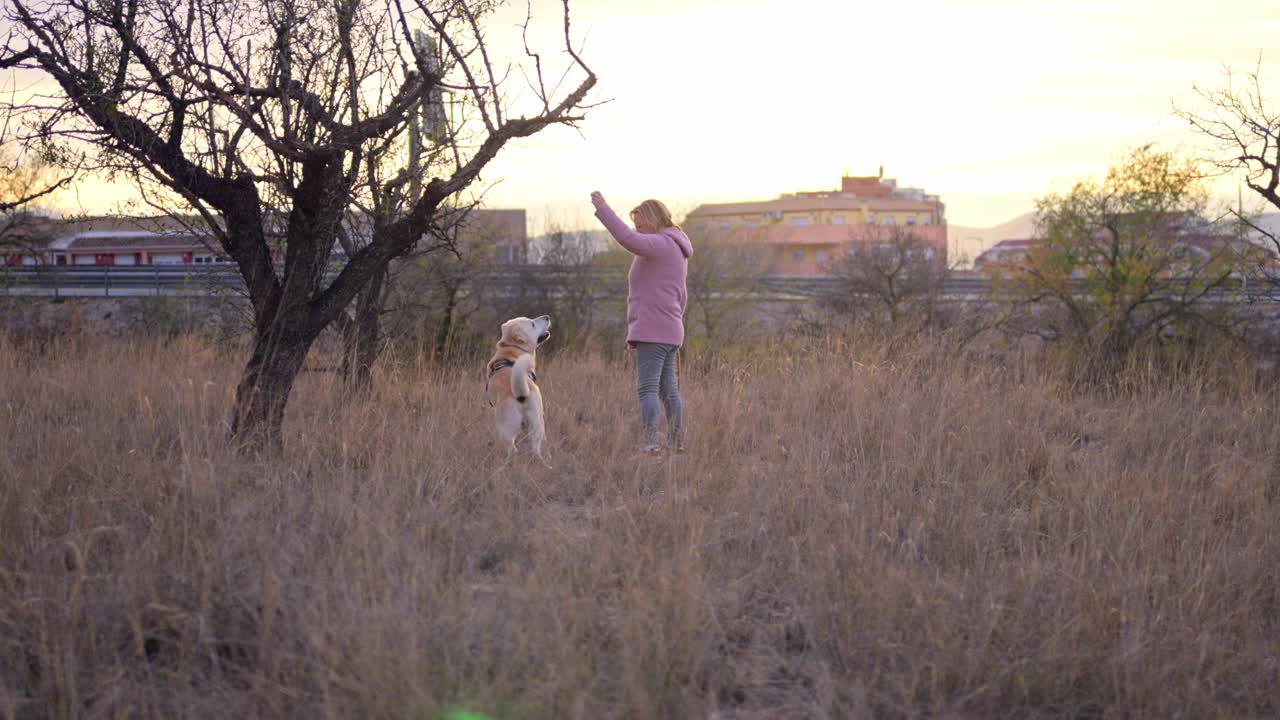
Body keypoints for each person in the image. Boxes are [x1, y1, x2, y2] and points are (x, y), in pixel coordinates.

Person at [590, 191, 693, 454]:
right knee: (669, 390)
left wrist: (603, 208)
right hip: (670, 330)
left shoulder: (660, 243)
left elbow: (627, 239)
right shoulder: (675, 248)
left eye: (641, 225)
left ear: (653, 220)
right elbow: (682, 295)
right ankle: (677, 444)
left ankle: (651, 444)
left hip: (653, 330)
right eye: (636, 226)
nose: (638, 231)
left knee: (648, 388)